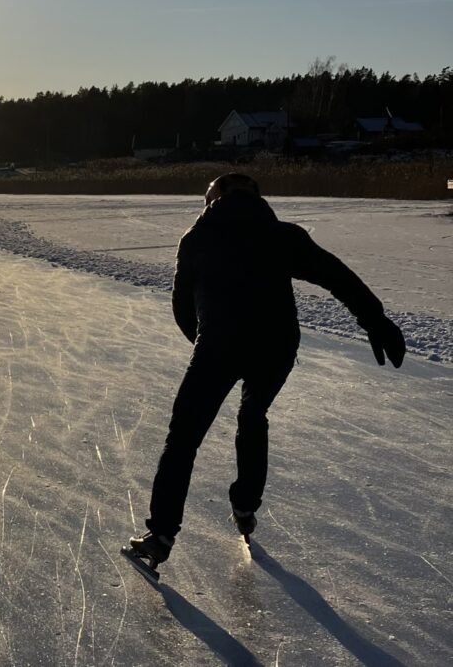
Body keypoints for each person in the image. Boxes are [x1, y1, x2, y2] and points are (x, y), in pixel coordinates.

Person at [128, 173, 406, 567]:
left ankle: (160, 537)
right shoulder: (282, 235)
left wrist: (205, 343)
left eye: (207, 197)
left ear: (217, 195)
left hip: (219, 348)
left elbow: (181, 305)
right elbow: (337, 276)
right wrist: (376, 321)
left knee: (184, 439)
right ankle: (245, 507)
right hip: (275, 348)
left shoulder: (197, 238)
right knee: (253, 416)